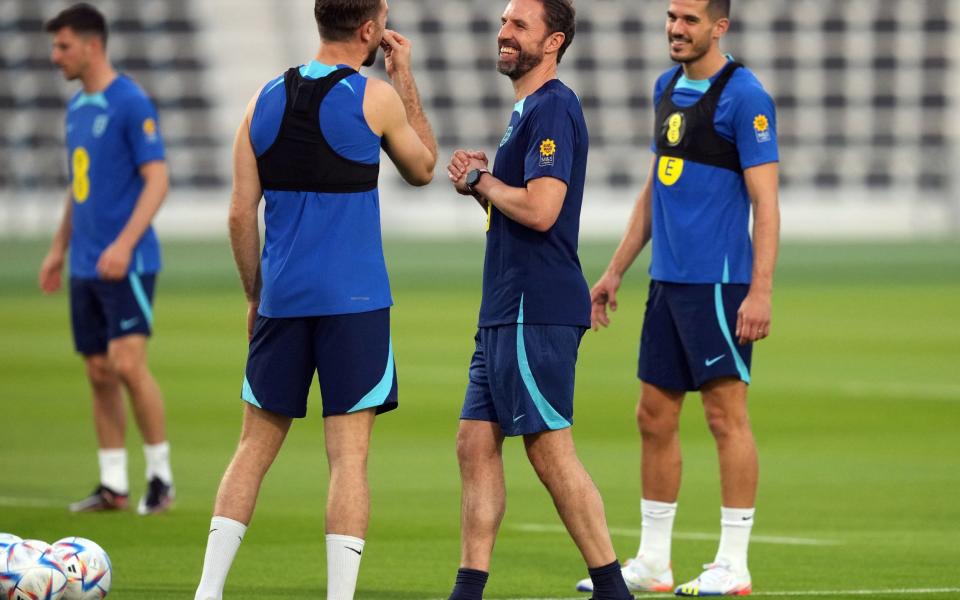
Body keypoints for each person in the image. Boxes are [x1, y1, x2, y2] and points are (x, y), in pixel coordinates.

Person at [192, 1, 437, 599]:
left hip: (283, 300)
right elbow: (424, 168)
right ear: (370, 30)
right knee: (348, 460)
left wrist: (256, 293)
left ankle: (207, 590)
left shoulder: (262, 101)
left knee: (251, 449)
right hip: (354, 304)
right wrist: (404, 76)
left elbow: (237, 215)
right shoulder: (372, 97)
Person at [575, 0, 781, 596]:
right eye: (671, 16)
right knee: (653, 416)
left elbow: (765, 204)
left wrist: (760, 291)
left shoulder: (745, 98)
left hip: (719, 286)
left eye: (689, 19)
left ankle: (733, 563)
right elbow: (655, 187)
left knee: (725, 417)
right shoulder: (665, 86)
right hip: (666, 283)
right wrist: (616, 269)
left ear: (720, 26)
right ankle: (654, 562)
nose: (676, 28)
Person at [445, 1, 634, 599]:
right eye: (503, 22)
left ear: (552, 42)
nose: (504, 32)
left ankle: (612, 587)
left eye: (518, 25)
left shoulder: (552, 106)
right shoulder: (527, 110)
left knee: (549, 450)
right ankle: (468, 589)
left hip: (535, 305)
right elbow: (519, 209)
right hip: (506, 304)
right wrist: (483, 187)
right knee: (474, 443)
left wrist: (482, 180)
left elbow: (542, 209)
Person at [39, 3, 175, 516]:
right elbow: (80, 190)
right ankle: (113, 484)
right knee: (97, 370)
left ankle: (160, 478)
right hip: (85, 265)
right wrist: (58, 248)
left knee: (126, 364)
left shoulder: (130, 102)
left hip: (129, 262)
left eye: (64, 46)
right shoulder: (77, 108)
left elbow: (158, 180)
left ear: (92, 45)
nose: (56, 56)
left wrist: (123, 244)